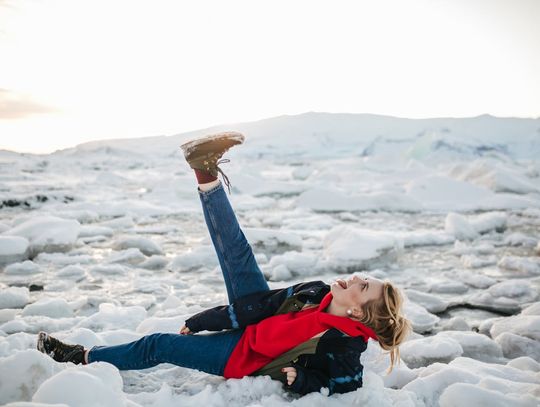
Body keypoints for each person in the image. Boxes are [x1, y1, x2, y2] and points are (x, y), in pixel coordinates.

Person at [37, 132, 412, 396]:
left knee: (158, 344)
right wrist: (207, 319)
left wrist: (302, 381)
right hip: (254, 323)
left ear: (359, 315)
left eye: (364, 287)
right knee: (237, 252)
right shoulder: (316, 292)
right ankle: (203, 168)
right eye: (364, 278)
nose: (355, 278)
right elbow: (260, 306)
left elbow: (346, 385)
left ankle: (81, 358)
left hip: (239, 356)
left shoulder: (344, 346)